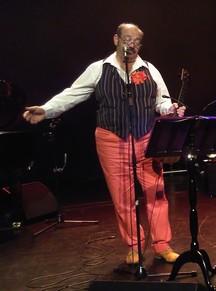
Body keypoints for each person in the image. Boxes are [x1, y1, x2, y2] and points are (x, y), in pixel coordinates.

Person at [23, 23, 186, 265]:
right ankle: (134, 245)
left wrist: (169, 109)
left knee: (156, 192)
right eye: (127, 38)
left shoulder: (149, 69)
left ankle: (162, 244)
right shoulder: (99, 69)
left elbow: (161, 101)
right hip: (112, 139)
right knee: (123, 197)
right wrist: (46, 110)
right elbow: (72, 94)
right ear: (116, 39)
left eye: (137, 41)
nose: (131, 44)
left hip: (146, 137)